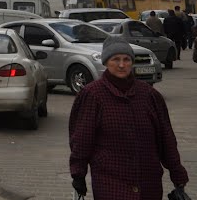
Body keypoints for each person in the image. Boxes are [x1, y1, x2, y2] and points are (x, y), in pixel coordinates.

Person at [69, 35, 189, 199]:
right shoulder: (92, 95)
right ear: (105, 62)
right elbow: (82, 138)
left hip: (148, 182)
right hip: (110, 182)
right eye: (115, 59)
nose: (121, 65)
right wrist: (78, 173)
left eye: (126, 59)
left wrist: (177, 173)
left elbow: (166, 138)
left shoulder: (149, 95)